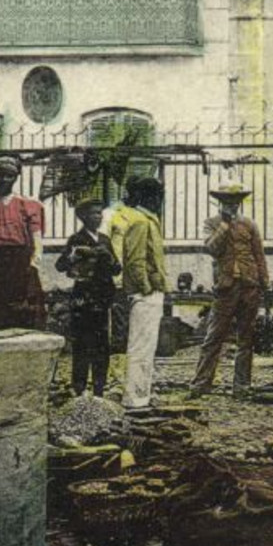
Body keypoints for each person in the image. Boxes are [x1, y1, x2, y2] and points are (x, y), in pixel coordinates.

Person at [190, 183, 270, 396]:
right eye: (227, 201)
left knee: (246, 338)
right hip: (225, 287)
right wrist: (224, 226)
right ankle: (201, 384)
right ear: (220, 202)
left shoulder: (249, 224)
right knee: (214, 337)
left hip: (249, 286)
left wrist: (265, 283)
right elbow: (212, 248)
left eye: (235, 201)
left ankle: (242, 386)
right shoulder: (211, 223)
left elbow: (259, 255)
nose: (231, 205)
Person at [110, 175, 169, 410]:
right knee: (141, 348)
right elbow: (134, 261)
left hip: (149, 291)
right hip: (145, 293)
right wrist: (146, 288)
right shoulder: (140, 221)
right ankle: (135, 398)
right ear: (150, 197)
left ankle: (141, 394)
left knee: (145, 347)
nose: (160, 201)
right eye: (158, 196)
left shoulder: (144, 219)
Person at [55, 196, 119, 398]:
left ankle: (100, 386)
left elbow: (117, 269)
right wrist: (74, 257)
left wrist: (107, 257)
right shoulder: (76, 240)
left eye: (100, 213)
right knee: (82, 342)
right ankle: (79, 386)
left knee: (102, 344)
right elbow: (60, 266)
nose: (98, 217)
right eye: (93, 213)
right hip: (83, 298)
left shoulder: (105, 240)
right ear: (83, 216)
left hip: (102, 298)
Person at [0, 156, 46, 329]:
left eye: (9, 176)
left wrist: (34, 262)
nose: (3, 180)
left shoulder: (27, 205)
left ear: (16, 178)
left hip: (19, 259)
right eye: (0, 175)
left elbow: (36, 238)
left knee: (22, 303)